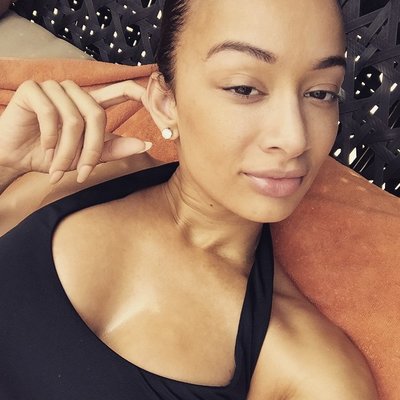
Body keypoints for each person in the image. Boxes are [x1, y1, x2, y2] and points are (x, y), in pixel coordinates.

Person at [0, 0, 378, 398]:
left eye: (321, 93)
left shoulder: (310, 372)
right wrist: (4, 165)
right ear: (165, 102)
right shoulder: (80, 172)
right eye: (244, 88)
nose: (294, 139)